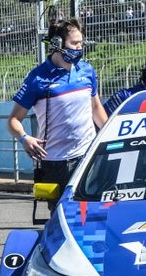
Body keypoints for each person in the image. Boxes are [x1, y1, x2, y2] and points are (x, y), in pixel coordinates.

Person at [7, 18, 108, 210]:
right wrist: (24, 138)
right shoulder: (37, 78)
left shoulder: (87, 71)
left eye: (81, 43)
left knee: (92, 213)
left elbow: (96, 108)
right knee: (59, 217)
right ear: (57, 44)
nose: (79, 48)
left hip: (87, 156)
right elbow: (13, 120)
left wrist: (109, 138)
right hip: (54, 163)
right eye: (74, 43)